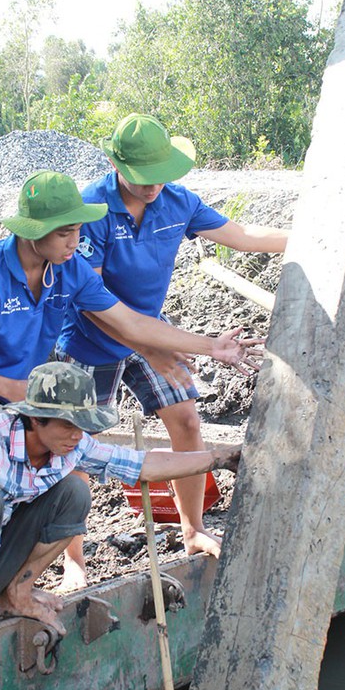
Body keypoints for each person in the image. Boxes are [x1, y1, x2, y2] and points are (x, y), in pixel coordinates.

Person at [56, 113, 290, 572]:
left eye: (161, 177)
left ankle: (193, 530)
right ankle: (73, 561)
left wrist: (311, 240)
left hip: (153, 330)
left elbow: (241, 237)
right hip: (91, 338)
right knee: (74, 443)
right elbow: (93, 304)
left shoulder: (177, 202)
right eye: (143, 179)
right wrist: (149, 347)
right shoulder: (92, 211)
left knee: (185, 419)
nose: (151, 188)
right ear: (114, 163)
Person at [0, 362, 241, 662]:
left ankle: (16, 593)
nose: (76, 435)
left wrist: (219, 458)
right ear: (35, 418)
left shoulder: (71, 446)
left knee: (74, 492)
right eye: (68, 425)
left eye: (82, 425)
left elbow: (143, 465)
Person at [0, 169, 260, 441]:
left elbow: (132, 323)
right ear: (33, 232)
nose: (74, 242)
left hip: (11, 384)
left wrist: (213, 346)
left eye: (79, 230)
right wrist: (9, 389)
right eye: (64, 233)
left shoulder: (70, 268)